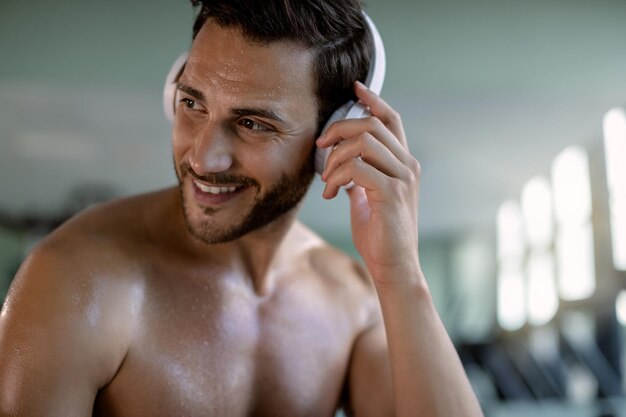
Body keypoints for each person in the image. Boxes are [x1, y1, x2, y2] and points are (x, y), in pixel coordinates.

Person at [0, 0, 484, 416]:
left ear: (334, 138)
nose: (203, 157)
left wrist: (401, 274)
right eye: (193, 103)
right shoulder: (75, 283)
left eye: (252, 123)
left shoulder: (353, 301)